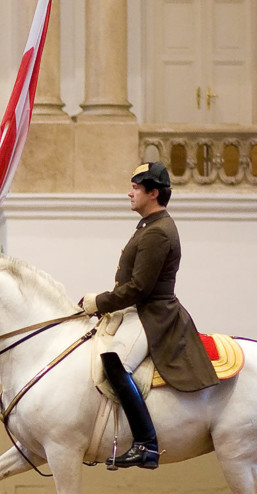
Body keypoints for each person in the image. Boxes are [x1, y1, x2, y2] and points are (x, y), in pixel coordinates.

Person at [79, 162, 218, 470]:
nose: (130, 193)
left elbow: (140, 288)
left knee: (114, 363)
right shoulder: (149, 226)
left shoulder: (158, 232)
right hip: (138, 310)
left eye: (136, 188)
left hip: (152, 313)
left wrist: (98, 302)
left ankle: (146, 443)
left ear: (153, 193)